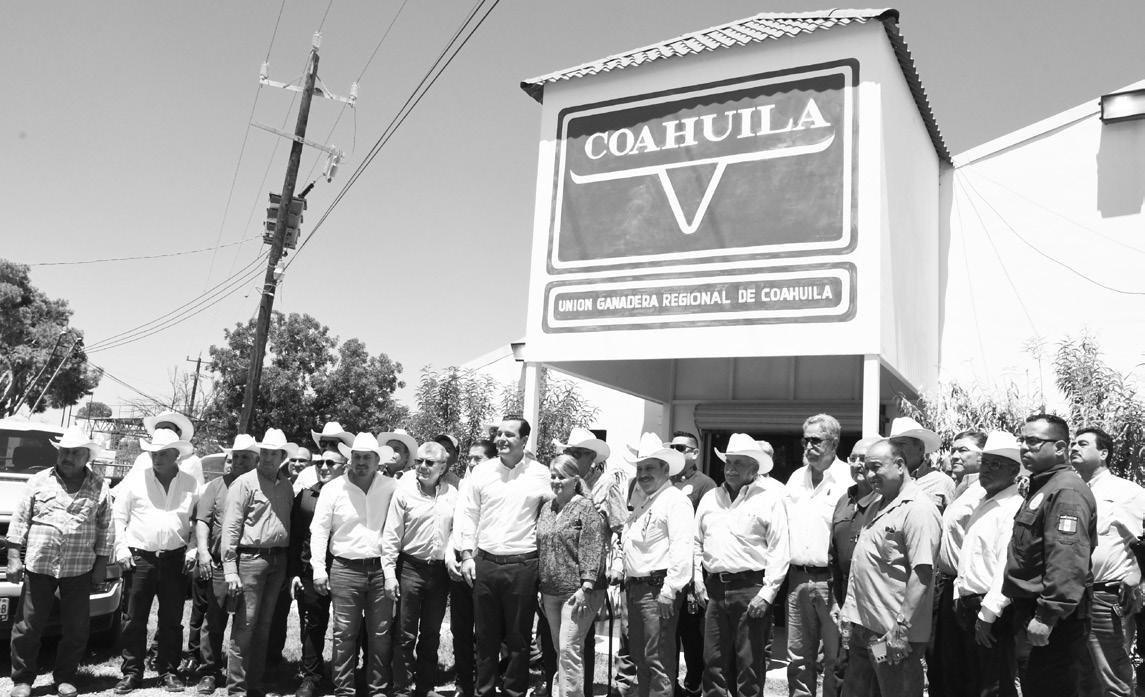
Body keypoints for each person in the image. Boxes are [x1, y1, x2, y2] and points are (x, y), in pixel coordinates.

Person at [7, 427, 113, 697]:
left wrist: (101, 565)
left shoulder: (100, 486)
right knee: (28, 626)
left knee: (76, 628)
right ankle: (22, 680)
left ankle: (65, 677)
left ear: (87, 456)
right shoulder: (39, 480)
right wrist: (13, 557)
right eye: (64, 451)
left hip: (79, 569)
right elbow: (20, 520)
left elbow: (106, 529)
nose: (68, 457)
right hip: (39, 565)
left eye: (75, 452)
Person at [454, 416, 552, 697]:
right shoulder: (481, 472)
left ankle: (514, 692)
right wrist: (467, 555)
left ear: (524, 440)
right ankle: (484, 692)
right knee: (486, 638)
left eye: (509, 434)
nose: (501, 439)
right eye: (498, 434)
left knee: (519, 639)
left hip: (523, 565)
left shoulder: (541, 474)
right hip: (485, 564)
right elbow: (468, 513)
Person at [1002, 414, 1097, 697]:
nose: (1024, 447)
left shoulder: (1065, 490)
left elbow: (1067, 559)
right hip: (1031, 609)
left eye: (1033, 441)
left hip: (1051, 618)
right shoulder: (1045, 486)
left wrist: (1047, 616)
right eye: (1022, 440)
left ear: (1059, 447)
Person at [840, 439, 941, 696]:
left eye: (876, 467)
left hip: (892, 636)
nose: (869, 475)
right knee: (861, 692)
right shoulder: (877, 504)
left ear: (899, 465)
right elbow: (865, 564)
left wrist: (901, 628)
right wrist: (849, 612)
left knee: (897, 691)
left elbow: (922, 573)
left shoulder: (918, 509)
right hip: (866, 630)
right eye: (866, 468)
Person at [693, 433, 790, 697]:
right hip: (713, 589)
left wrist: (767, 594)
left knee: (749, 664)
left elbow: (779, 549)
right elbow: (695, 542)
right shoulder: (710, 498)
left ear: (754, 468)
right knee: (713, 661)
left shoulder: (770, 498)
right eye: (728, 462)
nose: (731, 468)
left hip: (750, 589)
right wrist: (697, 580)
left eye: (738, 463)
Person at [112, 427, 199, 694]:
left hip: (175, 559)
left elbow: (197, 522)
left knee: (171, 619)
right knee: (134, 618)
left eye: (162, 454)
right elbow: (118, 516)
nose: (156, 458)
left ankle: (168, 671)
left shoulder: (191, 484)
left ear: (175, 455)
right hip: (140, 558)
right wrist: (121, 549)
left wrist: (193, 550)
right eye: (153, 453)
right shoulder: (136, 480)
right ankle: (132, 672)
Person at [314, 433, 399, 697]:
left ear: (377, 460)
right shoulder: (333, 488)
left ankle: (378, 690)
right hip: (344, 568)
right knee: (343, 633)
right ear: (350, 459)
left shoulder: (391, 486)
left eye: (367, 457)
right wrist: (318, 568)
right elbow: (319, 530)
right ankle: (344, 690)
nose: (361, 462)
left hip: (380, 569)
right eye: (357, 457)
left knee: (381, 634)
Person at [220, 428, 297, 697]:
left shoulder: (286, 486)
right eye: (264, 452)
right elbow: (231, 526)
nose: (267, 457)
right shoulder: (244, 483)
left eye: (273, 453)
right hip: (251, 559)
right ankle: (237, 688)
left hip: (278, 560)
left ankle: (254, 684)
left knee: (264, 625)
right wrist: (230, 568)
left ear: (282, 457)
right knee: (246, 625)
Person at [617, 432, 694, 697]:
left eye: (649, 468)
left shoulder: (675, 500)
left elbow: (682, 548)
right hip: (637, 588)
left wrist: (670, 591)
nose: (643, 474)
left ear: (665, 469)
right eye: (640, 469)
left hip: (657, 590)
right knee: (640, 657)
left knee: (657, 659)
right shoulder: (645, 502)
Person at [1071, 426, 1145, 697]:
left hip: (1106, 598)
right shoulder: (1073, 491)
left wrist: (1137, 574)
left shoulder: (1127, 492)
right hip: (1074, 598)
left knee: (1113, 680)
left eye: (1083, 444)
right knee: (1082, 679)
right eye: (1073, 443)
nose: (1074, 448)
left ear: (1103, 453)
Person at [554, 426, 628, 692]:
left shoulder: (606, 486)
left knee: (572, 642)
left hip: (590, 574)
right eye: (570, 452)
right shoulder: (561, 482)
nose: (572, 457)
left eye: (578, 453)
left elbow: (621, 528)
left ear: (592, 457)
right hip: (560, 572)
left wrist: (617, 565)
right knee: (562, 643)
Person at [381, 441, 459, 697]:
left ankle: (425, 687)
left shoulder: (452, 494)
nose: (422, 466)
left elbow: (455, 531)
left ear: (443, 467)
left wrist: (451, 554)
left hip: (438, 573)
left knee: (431, 633)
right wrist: (389, 574)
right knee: (404, 633)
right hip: (410, 568)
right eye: (419, 461)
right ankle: (402, 689)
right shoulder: (404, 493)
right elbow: (391, 536)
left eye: (429, 462)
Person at [950, 432, 1024, 697]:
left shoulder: (1012, 507)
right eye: (986, 463)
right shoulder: (985, 503)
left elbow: (1007, 565)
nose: (987, 470)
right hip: (970, 605)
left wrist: (988, 614)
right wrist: (959, 593)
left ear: (1014, 471)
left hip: (991, 610)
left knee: (994, 685)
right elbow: (970, 555)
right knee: (975, 681)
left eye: (996, 464)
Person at [784, 413, 852, 697]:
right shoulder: (795, 479)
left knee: (836, 659)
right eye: (805, 440)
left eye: (816, 440)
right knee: (798, 658)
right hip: (798, 578)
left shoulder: (849, 478)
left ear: (833, 443)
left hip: (832, 582)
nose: (808, 446)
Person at [192, 433, 260, 695]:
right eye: (236, 456)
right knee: (214, 619)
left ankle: (241, 673)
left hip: (251, 563)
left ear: (256, 460)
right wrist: (203, 551)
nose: (239, 461)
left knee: (247, 622)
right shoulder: (216, 485)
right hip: (220, 564)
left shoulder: (261, 485)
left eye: (245, 457)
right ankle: (209, 671)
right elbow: (203, 520)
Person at [537, 455, 608, 697]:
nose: (556, 481)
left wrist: (586, 586)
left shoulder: (585, 507)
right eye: (553, 476)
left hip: (578, 592)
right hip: (550, 591)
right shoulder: (547, 508)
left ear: (575, 479)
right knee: (561, 650)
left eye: (562, 476)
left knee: (569, 649)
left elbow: (592, 547)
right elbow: (542, 547)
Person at [931, 430, 990, 697]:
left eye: (963, 450)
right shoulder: (959, 489)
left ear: (983, 455)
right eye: (953, 449)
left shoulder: (984, 493)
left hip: (967, 590)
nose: (955, 455)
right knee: (944, 664)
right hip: (945, 586)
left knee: (966, 668)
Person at [289, 449, 346, 697]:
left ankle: (347, 674)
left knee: (348, 626)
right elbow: (295, 536)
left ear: (344, 466)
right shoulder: (305, 496)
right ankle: (311, 676)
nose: (323, 467)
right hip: (310, 569)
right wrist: (294, 572)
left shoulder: (352, 493)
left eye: (330, 462)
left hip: (346, 569)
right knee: (313, 623)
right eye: (320, 462)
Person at [827, 435, 880, 687]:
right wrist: (834, 602)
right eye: (854, 458)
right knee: (843, 667)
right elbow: (834, 557)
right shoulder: (843, 500)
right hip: (846, 607)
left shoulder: (887, 502)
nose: (858, 464)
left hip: (876, 610)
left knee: (878, 669)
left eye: (865, 459)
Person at [446, 438, 497, 697]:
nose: (472, 462)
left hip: (485, 564)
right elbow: (455, 524)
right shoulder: (464, 485)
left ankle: (485, 684)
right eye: (470, 458)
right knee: (461, 629)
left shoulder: (499, 485)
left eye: (479, 458)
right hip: (460, 564)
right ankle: (463, 682)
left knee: (487, 632)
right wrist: (450, 555)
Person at [666, 431, 715, 697]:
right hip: (664, 570)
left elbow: (704, 531)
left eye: (681, 448)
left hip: (691, 569)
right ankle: (669, 683)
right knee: (668, 633)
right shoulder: (665, 480)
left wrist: (697, 577)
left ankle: (694, 682)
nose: (675, 451)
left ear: (695, 453)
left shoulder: (705, 484)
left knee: (691, 632)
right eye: (672, 447)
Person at [888, 416, 951, 511]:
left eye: (901, 444)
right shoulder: (885, 479)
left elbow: (952, 518)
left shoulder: (941, 482)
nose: (895, 450)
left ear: (921, 448)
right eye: (892, 445)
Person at [298, 422, 355, 492]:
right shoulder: (306, 474)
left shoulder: (356, 473)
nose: (328, 447)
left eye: (333, 444)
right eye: (323, 443)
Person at [949, 430, 986, 498]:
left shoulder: (986, 491)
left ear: (982, 456)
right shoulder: (950, 486)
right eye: (953, 451)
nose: (954, 456)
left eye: (963, 450)